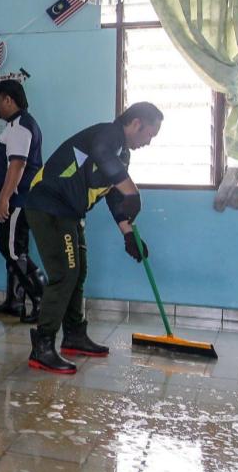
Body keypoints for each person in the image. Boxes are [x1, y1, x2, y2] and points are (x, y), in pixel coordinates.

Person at [24, 102, 162, 374]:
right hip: (48, 206)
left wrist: (128, 235)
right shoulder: (108, 135)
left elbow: (112, 194)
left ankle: (74, 335)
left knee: (79, 271)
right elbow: (101, 153)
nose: (148, 142)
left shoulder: (121, 155)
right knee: (65, 272)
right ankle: (42, 346)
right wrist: (134, 192)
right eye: (149, 134)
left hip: (69, 212)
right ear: (135, 123)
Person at [0, 79, 44, 323]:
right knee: (11, 250)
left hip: (18, 200)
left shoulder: (22, 126)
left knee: (13, 251)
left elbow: (18, 165)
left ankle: (43, 301)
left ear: (9, 100)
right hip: (15, 199)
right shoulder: (14, 125)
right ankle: (15, 301)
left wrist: (4, 199)